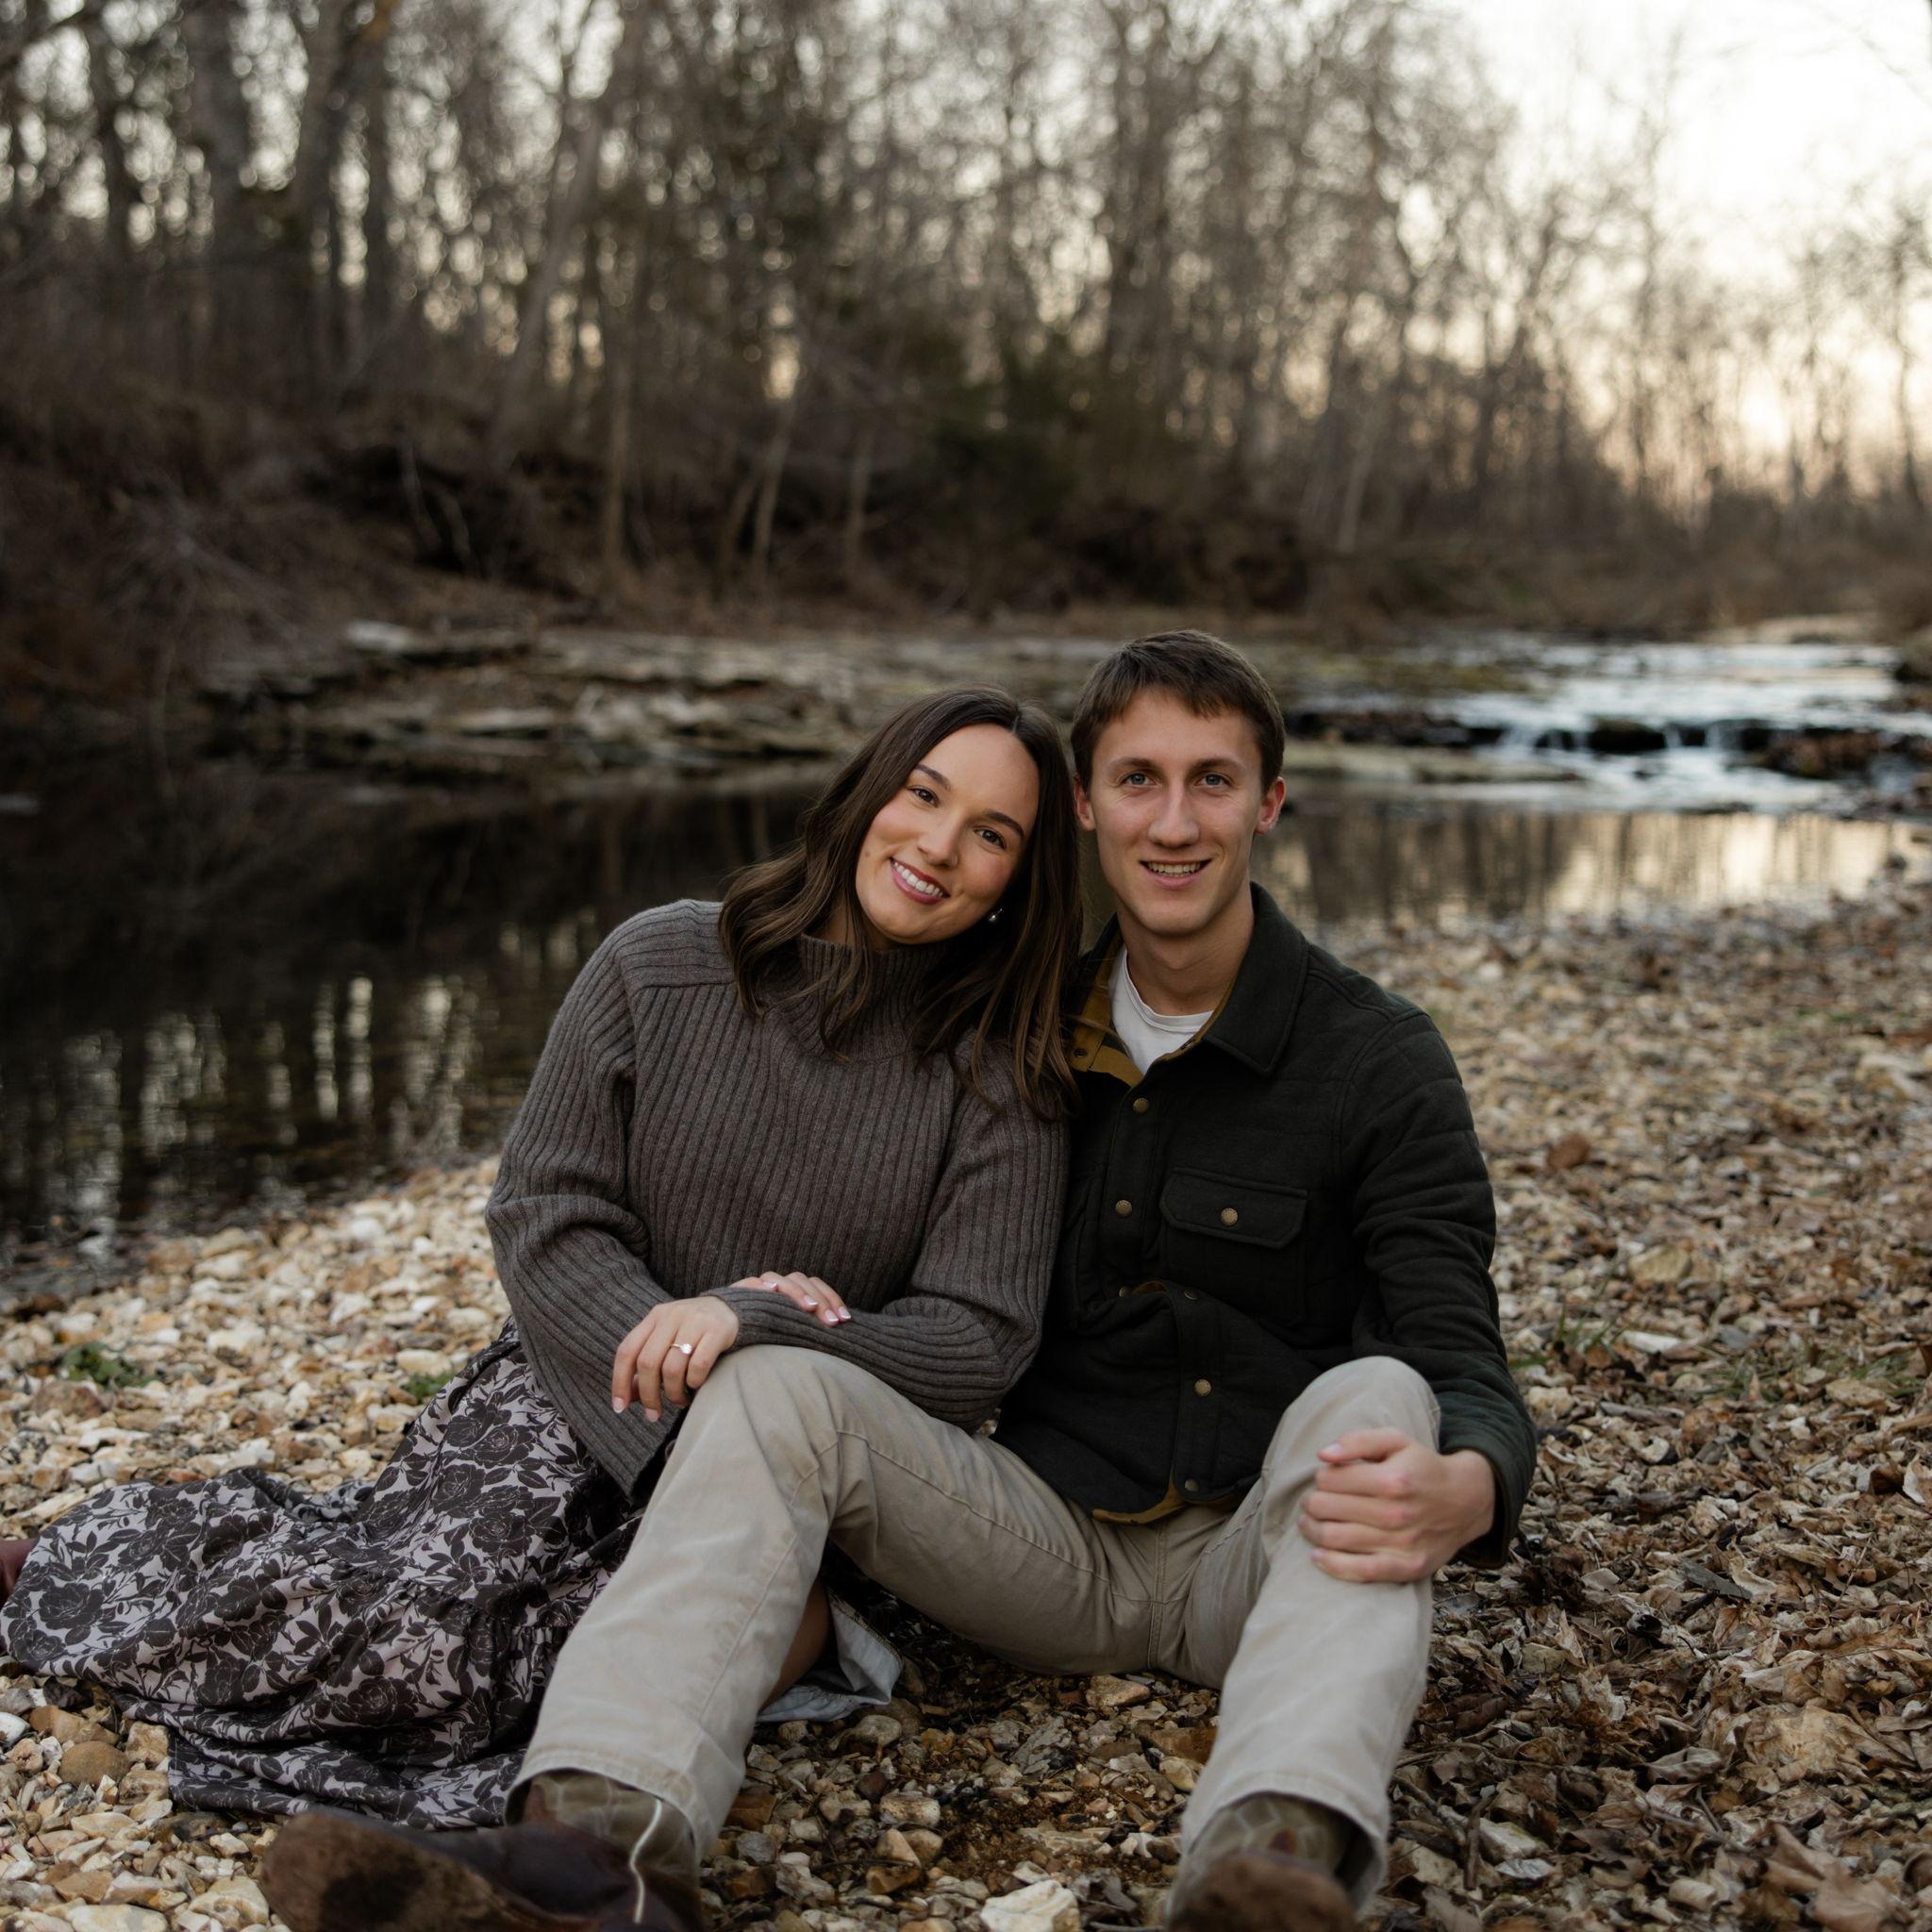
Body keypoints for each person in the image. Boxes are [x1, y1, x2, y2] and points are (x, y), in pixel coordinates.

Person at [262, 633, 1537, 1932]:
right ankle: (596, 1860)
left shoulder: (1377, 1058)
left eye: (1211, 781)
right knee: (775, 1386)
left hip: (1267, 1552)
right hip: (1040, 1543)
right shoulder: (1025, 1036)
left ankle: (1269, 1868)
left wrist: (1476, 1483)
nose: (1173, 822)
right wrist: (751, 1310)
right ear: (1087, 807)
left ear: (1268, 803)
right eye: (1137, 780)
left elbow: (1453, 1337)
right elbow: (604, 1199)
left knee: (1382, 1396)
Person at [0, 685, 1079, 1834]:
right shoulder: (660, 962)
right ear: (866, 792)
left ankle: (555, 1845)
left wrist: (753, 1322)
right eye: (922, 794)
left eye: (990, 833)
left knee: (553, 1675)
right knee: (398, 1625)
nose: (937, 846)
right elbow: (545, 1208)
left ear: (1018, 879)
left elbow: (978, 1338)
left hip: (776, 1471)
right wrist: (665, 1361)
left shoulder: (1001, 1071)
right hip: (567, 1391)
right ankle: (59, 1565)